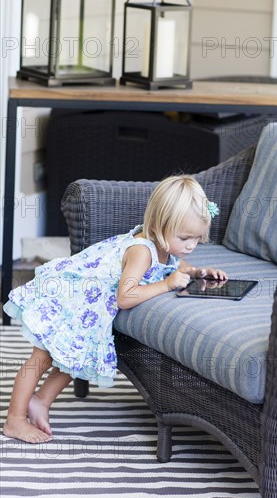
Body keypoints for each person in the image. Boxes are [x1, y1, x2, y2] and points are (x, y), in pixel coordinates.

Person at [2, 175, 227, 444]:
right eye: (185, 237)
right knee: (41, 358)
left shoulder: (166, 245)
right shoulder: (142, 250)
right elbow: (125, 296)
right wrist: (167, 285)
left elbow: (174, 266)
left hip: (88, 306)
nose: (191, 245)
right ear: (158, 226)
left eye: (197, 238)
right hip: (69, 298)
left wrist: (199, 272)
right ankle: (14, 419)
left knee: (72, 354)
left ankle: (40, 401)